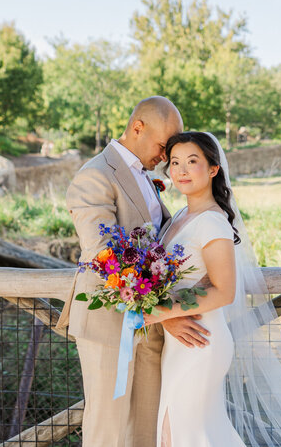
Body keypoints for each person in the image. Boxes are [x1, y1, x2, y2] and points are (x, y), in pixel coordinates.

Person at [144, 132, 281, 447]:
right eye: (175, 162)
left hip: (201, 343)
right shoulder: (180, 216)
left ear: (213, 169)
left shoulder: (212, 223)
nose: (181, 170)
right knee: (184, 435)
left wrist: (163, 312)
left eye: (192, 162)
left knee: (181, 435)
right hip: (179, 342)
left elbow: (224, 292)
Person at [57, 97, 210, 447]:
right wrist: (163, 313)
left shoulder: (145, 176)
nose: (165, 156)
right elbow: (104, 255)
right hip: (109, 325)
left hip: (151, 328)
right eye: (162, 146)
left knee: (147, 429)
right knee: (107, 431)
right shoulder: (94, 176)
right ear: (137, 127)